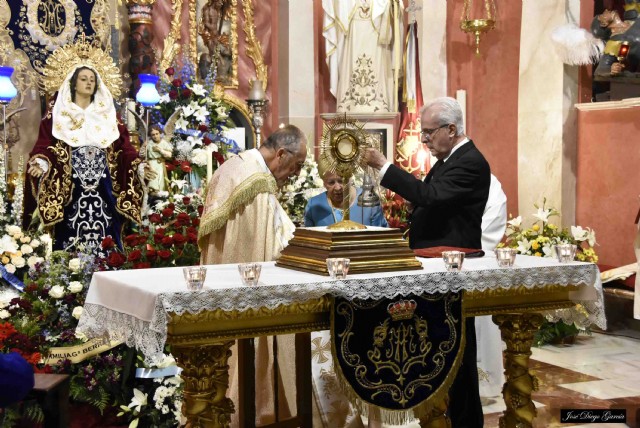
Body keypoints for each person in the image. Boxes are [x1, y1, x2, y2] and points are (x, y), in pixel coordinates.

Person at [364, 96, 490, 427]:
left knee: (459, 352)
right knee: (441, 350)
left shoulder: (470, 162)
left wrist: (384, 166)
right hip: (437, 266)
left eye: (430, 133)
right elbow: (433, 203)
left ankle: (466, 422)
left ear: (452, 129)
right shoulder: (450, 160)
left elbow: (430, 196)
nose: (425, 140)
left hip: (450, 267)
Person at [197, 125, 307, 426]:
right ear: (281, 154)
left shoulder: (237, 166)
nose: (295, 174)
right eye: (296, 166)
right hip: (247, 293)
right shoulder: (256, 184)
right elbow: (268, 249)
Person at [24, 63, 149, 253]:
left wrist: (138, 165)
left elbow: (124, 148)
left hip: (104, 187)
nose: (89, 83)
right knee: (69, 230)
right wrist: (42, 162)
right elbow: (46, 144)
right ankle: (68, 270)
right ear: (74, 84)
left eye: (92, 80)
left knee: (107, 229)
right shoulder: (58, 113)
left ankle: (109, 264)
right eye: (84, 79)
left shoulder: (107, 115)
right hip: (71, 186)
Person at [322, 0, 403, 112]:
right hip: (353, 27)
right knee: (351, 62)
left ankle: (379, 101)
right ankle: (349, 102)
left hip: (377, 31)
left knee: (378, 62)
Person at [476, 174, 507, 399]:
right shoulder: (440, 176)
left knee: (481, 326)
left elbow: (495, 216)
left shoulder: (486, 180)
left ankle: (483, 385)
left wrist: (467, 244)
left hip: (477, 264)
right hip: (444, 261)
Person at [304, 170, 388, 227]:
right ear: (324, 183)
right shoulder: (314, 205)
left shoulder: (369, 200)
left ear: (351, 178)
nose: (337, 187)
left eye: (341, 181)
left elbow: (383, 238)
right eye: (331, 182)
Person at [146, 125, 173, 195]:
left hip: (160, 164)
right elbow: (145, 156)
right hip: (151, 164)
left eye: (157, 134)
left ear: (160, 133)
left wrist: (160, 150)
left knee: (161, 181)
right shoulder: (149, 144)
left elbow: (170, 155)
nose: (155, 136)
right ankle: (153, 195)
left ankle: (161, 195)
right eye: (153, 135)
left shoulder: (164, 143)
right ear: (150, 136)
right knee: (153, 180)